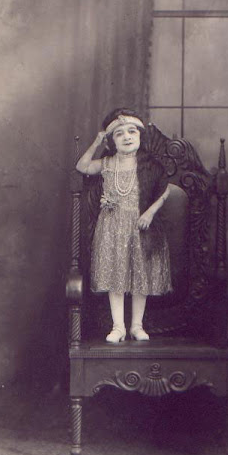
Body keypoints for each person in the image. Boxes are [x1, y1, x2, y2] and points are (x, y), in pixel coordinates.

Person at [76, 108, 172, 342]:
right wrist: (96, 142)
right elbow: (82, 167)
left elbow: (165, 189)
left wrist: (149, 213)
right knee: (115, 274)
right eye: (119, 134)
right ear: (111, 141)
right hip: (112, 227)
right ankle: (118, 326)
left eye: (132, 132)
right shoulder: (107, 163)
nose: (127, 137)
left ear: (140, 136)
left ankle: (137, 326)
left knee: (141, 275)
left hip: (140, 226)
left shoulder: (149, 165)